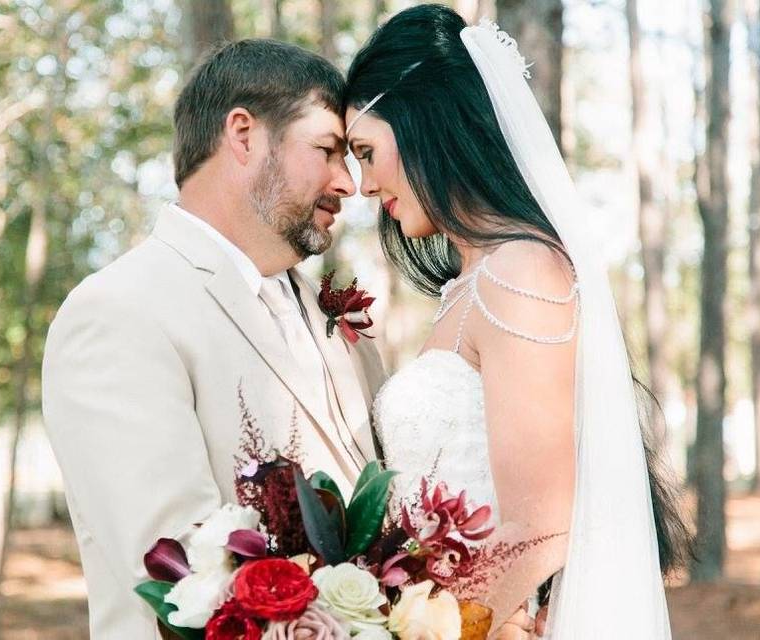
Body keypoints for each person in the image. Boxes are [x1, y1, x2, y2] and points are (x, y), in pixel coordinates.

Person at [344, 5, 689, 638]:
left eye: (367, 151)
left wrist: (427, 630)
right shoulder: (468, 284)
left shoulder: (521, 270)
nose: (363, 185)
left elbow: (544, 524)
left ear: (424, 123)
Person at [41, 39, 387, 638]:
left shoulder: (328, 308)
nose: (348, 183)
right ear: (244, 134)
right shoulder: (117, 313)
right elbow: (184, 570)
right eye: (327, 151)